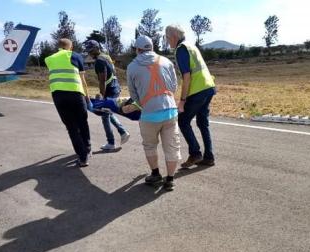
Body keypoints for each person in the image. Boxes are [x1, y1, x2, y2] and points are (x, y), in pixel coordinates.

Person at [125, 35, 181, 191]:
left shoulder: (132, 67)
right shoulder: (167, 61)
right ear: (152, 47)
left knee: (150, 145)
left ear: (137, 49)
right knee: (172, 147)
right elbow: (174, 87)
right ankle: (170, 180)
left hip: (148, 114)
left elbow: (133, 94)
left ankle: (155, 174)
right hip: (170, 111)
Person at [165, 24, 216, 168]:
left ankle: (195, 153)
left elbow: (186, 77)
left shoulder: (181, 50)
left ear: (174, 37)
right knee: (202, 123)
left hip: (198, 90)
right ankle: (209, 157)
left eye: (167, 38)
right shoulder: (191, 46)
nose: (167, 41)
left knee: (183, 121)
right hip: (209, 87)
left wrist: (182, 101)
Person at [45, 38, 91, 167]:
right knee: (82, 123)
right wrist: (87, 95)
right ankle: (87, 149)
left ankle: (82, 158)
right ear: (70, 47)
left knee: (71, 127)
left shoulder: (49, 59)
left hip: (58, 96)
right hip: (76, 94)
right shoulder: (75, 56)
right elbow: (82, 78)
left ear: (58, 46)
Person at [84, 40, 130, 150]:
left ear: (96, 49)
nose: (89, 53)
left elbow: (102, 80)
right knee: (108, 112)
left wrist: (101, 94)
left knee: (104, 116)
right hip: (115, 87)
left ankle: (111, 143)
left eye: (90, 50)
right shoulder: (106, 57)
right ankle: (123, 132)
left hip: (109, 90)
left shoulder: (99, 61)